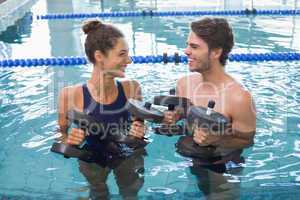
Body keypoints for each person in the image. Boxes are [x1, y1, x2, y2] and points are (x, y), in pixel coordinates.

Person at [164, 17, 256, 198]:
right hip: (190, 156)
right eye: (187, 45)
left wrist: (217, 139)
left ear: (215, 52)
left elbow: (247, 140)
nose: (186, 51)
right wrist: (170, 119)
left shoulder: (239, 97)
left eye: (194, 47)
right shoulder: (184, 84)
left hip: (223, 165)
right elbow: (175, 122)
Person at [57, 20, 146, 200]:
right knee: (99, 195)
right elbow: (61, 135)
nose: (129, 60)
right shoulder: (70, 95)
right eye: (122, 54)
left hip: (127, 155)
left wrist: (140, 131)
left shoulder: (132, 88)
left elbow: (141, 126)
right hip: (92, 158)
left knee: (131, 194)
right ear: (99, 56)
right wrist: (70, 140)